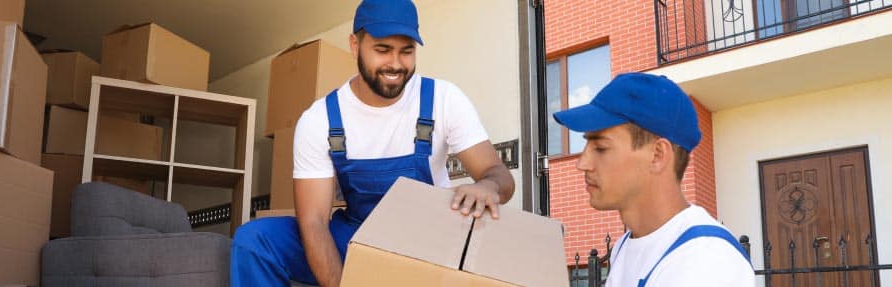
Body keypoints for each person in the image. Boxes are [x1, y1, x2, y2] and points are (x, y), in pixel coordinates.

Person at [230, 0, 515, 286]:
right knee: (255, 240)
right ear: (355, 45)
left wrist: (487, 186)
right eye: (382, 50)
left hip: (430, 243)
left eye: (407, 51)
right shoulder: (321, 120)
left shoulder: (443, 99)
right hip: (355, 237)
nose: (395, 64)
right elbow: (314, 222)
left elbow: (498, 173)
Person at [553, 73, 754, 287]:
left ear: (657, 154)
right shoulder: (625, 246)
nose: (582, 163)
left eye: (601, 148)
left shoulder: (706, 260)